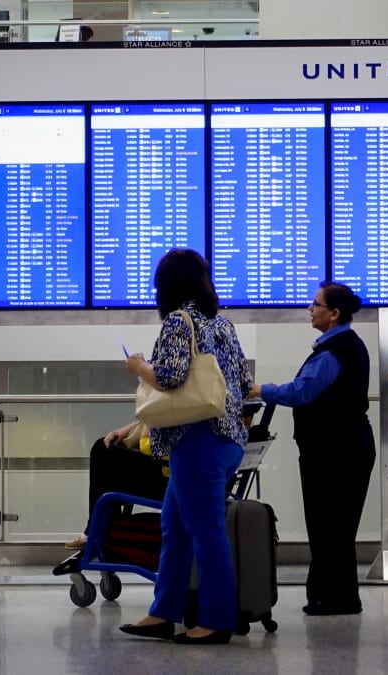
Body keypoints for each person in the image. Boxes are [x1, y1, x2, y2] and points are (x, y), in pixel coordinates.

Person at [119, 248, 252, 645]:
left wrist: (140, 367)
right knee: (175, 527)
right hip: (226, 439)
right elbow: (244, 382)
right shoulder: (223, 322)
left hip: (197, 440)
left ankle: (215, 620)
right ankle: (163, 612)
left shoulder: (180, 321)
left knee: (206, 532)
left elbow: (170, 377)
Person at [248, 281, 375, 616]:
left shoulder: (335, 351)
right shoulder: (345, 346)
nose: (310, 308)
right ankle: (338, 596)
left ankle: (333, 598)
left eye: (316, 304)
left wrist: (263, 390)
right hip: (345, 446)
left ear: (333, 314)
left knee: (329, 523)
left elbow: (303, 392)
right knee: (336, 525)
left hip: (335, 450)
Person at [63, 421, 169, 551]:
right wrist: (127, 430)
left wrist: (148, 425)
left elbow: (152, 448)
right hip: (171, 476)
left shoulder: (182, 412)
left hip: (170, 483)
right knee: (105, 450)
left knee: (103, 452)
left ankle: (100, 531)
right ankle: (103, 531)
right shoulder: (188, 409)